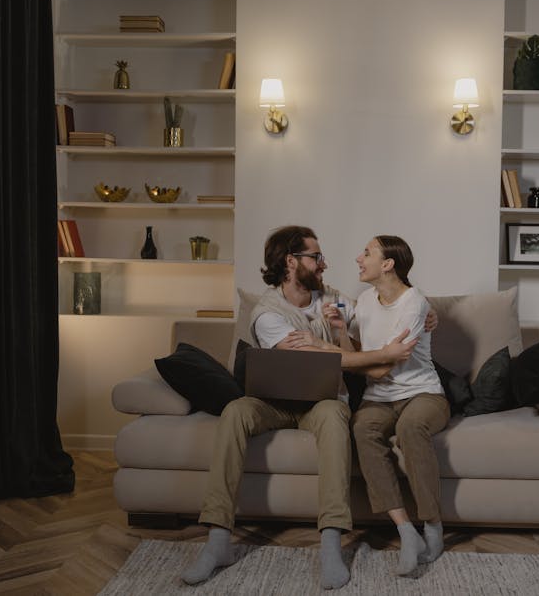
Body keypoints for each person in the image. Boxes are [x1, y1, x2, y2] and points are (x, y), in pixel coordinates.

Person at [181, 225, 428, 590]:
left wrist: (427, 316)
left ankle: (330, 541)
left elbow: (381, 312)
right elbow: (312, 357)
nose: (324, 263)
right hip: (274, 404)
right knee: (235, 411)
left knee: (334, 415)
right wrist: (373, 355)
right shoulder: (267, 313)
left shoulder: (333, 298)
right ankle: (218, 540)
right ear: (290, 261)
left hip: (322, 403)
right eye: (315, 257)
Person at [342, 235, 451, 576]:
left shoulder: (415, 303)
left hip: (424, 394)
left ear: (387, 264)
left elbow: (381, 365)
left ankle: (432, 525)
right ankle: (405, 530)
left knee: (410, 426)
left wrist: (338, 356)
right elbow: (360, 346)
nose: (359, 258)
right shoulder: (364, 299)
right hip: (379, 397)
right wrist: (337, 331)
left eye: (367, 253)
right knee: (361, 428)